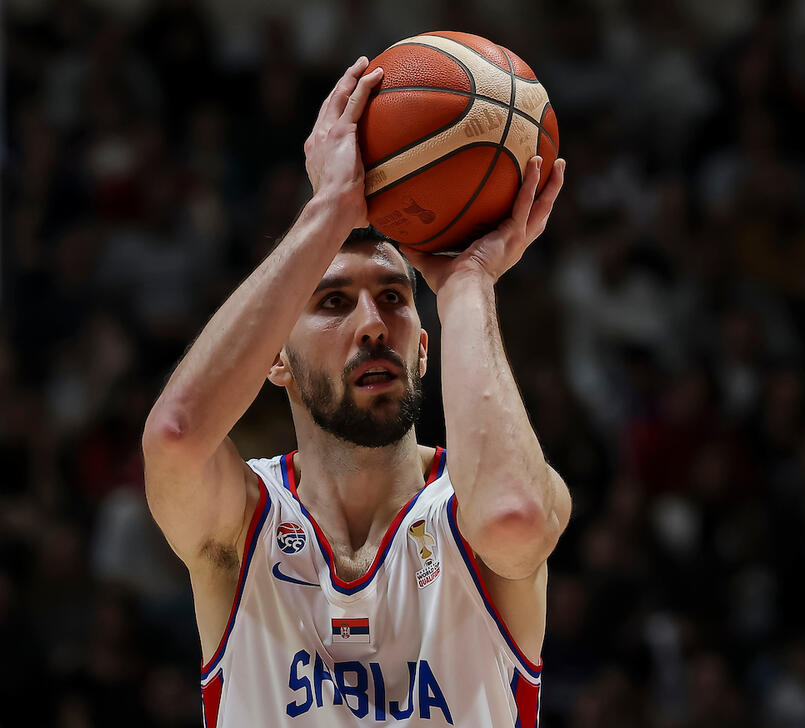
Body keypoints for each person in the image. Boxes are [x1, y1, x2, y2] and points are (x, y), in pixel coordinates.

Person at [141, 57, 571, 727]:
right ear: (274, 359)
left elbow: (512, 519)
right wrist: (329, 211)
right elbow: (174, 438)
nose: (372, 325)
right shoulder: (243, 525)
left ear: (423, 349)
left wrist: (466, 284)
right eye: (333, 302)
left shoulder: (473, 507)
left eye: (394, 298)